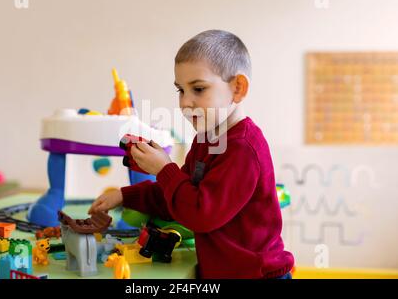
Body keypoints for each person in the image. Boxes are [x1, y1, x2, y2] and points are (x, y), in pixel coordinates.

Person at [89, 30, 294, 279]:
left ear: (237, 88)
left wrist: (164, 170)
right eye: (181, 91)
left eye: (198, 89)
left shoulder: (242, 148)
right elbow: (180, 194)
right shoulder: (205, 139)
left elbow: (201, 214)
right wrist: (124, 195)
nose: (185, 102)